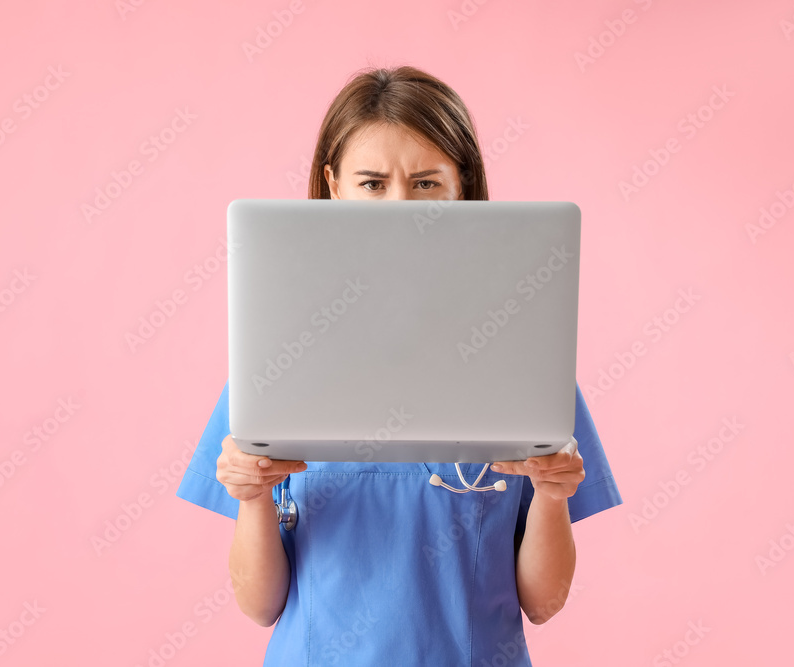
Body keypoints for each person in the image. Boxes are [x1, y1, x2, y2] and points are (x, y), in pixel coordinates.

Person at [176, 65, 623, 666]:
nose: (398, 208)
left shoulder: (522, 362)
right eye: (371, 183)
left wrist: (549, 497)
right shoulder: (279, 360)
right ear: (333, 185)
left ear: (462, 187)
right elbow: (259, 606)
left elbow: (543, 603)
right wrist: (253, 499)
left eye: (425, 183)